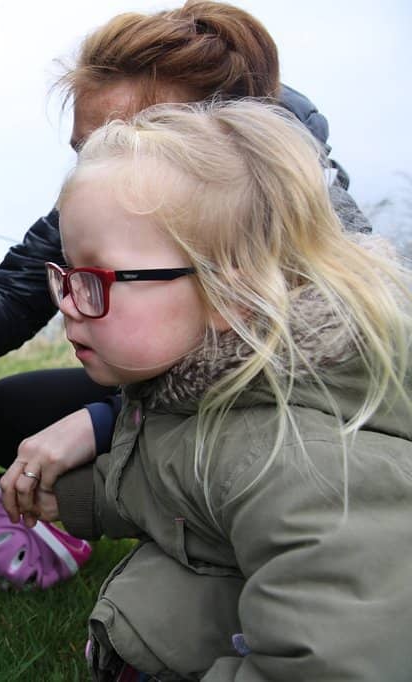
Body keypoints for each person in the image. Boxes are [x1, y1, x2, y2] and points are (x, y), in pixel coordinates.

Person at [0, 1, 373, 533]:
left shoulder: (312, 215)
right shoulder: (110, 197)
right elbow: (16, 295)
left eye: (127, 138)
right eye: (83, 150)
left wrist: (100, 424)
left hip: (279, 418)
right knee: (4, 413)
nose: (97, 165)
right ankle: (123, 500)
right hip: (166, 401)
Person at [44, 99, 412, 679]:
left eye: (94, 279)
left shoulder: (303, 460)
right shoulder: (195, 382)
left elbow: (332, 662)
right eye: (64, 275)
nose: (68, 305)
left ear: (227, 296)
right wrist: (78, 499)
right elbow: (182, 484)